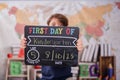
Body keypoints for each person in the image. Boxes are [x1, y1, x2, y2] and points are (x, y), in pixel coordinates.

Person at [21, 13, 83, 80]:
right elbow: (31, 55)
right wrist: (25, 45)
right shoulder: (42, 40)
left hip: (65, 77)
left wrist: (78, 48)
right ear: (48, 26)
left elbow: (74, 58)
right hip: (46, 77)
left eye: (61, 25)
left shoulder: (70, 41)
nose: (56, 27)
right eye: (53, 24)